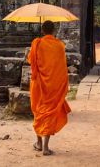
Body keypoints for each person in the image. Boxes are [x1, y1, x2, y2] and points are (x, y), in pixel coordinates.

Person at [27, 20, 72, 155]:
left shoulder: (37, 43)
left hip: (39, 85)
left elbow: (31, 61)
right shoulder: (59, 46)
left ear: (42, 30)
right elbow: (62, 68)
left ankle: (39, 143)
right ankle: (45, 146)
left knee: (38, 111)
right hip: (54, 85)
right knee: (50, 112)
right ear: (54, 30)